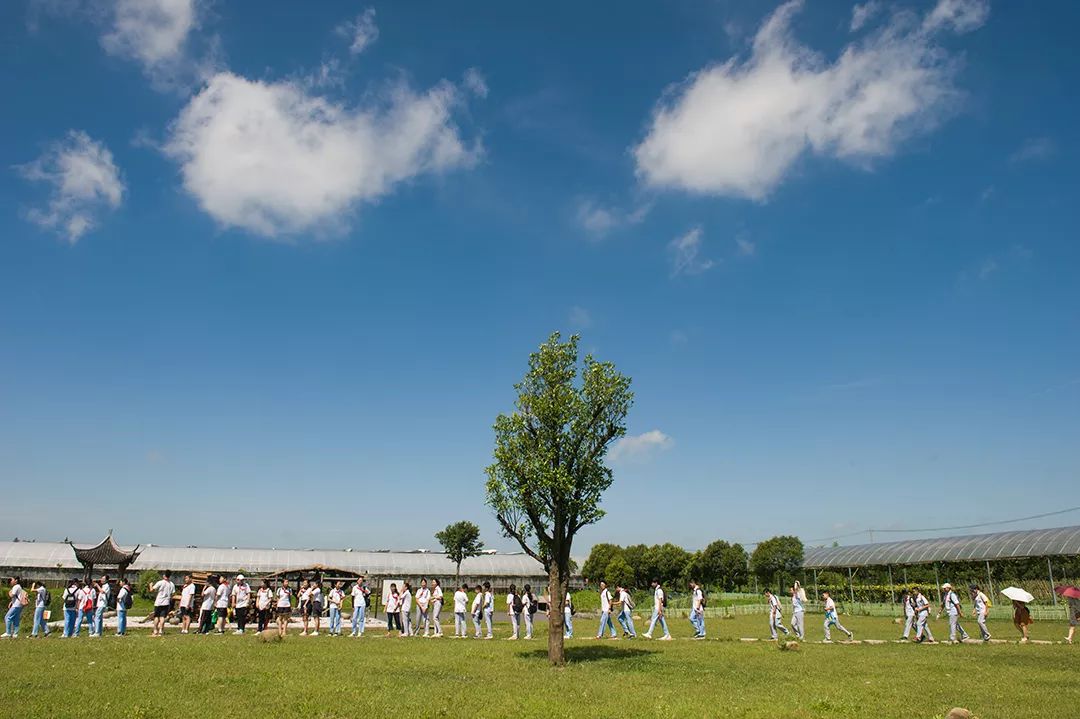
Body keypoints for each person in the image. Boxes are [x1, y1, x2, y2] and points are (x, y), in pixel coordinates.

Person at [150, 571, 175, 637]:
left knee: (156, 616)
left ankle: (155, 630)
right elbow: (173, 594)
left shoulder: (160, 582)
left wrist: (150, 585)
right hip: (166, 602)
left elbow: (152, 590)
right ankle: (161, 630)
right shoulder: (171, 584)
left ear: (164, 575)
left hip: (158, 602)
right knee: (162, 617)